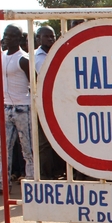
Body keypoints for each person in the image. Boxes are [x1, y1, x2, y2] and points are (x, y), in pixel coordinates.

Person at [0, 24, 34, 196]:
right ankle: (3, 184)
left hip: (23, 108)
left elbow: (35, 84)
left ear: (19, 38)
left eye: (12, 36)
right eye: (6, 35)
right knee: (2, 148)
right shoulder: (2, 56)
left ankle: (32, 182)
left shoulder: (24, 59)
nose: (8, 38)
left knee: (27, 148)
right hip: (6, 107)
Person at [34, 25, 65, 180]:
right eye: (46, 36)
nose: (50, 39)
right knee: (44, 144)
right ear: (38, 38)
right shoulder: (33, 58)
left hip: (63, 102)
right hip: (43, 105)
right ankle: (46, 176)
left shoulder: (60, 53)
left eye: (52, 36)